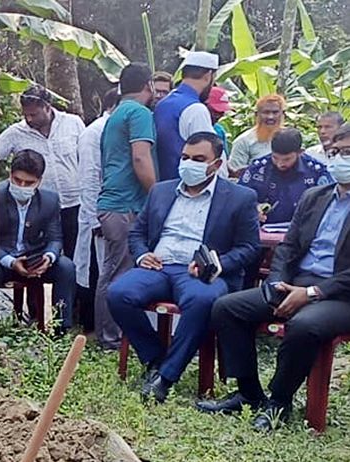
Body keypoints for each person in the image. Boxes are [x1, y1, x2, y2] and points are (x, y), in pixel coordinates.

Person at [198, 124, 350, 431]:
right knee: (227, 308)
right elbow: (288, 246)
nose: (338, 160)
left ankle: (279, 402)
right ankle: (249, 393)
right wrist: (276, 282)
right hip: (296, 281)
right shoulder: (315, 196)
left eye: (346, 153)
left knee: (304, 325)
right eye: (334, 153)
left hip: (340, 295)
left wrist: (311, 294)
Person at [108, 132, 259, 402]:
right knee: (118, 293)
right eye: (185, 158)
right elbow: (137, 233)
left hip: (200, 274)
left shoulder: (240, 197)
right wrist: (143, 255)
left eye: (199, 159)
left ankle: (166, 377)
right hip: (158, 266)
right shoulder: (161, 190)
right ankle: (155, 358)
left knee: (201, 300)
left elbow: (249, 248)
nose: (190, 164)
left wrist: (214, 265)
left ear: (216, 163)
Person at [94, 62, 158, 350]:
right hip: (124, 205)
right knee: (116, 272)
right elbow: (141, 158)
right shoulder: (140, 113)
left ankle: (113, 335)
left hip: (114, 202)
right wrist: (158, 195)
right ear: (149, 85)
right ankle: (109, 339)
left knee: (115, 269)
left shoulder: (117, 113)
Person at [0, 84, 86, 259]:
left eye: (34, 114)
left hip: (74, 203)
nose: (29, 119)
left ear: (47, 107)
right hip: (40, 209)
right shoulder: (16, 132)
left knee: (76, 256)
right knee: (37, 257)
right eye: (26, 115)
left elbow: (84, 158)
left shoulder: (73, 123)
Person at [0, 149, 76, 332]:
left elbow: (55, 237)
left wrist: (48, 258)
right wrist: (11, 262)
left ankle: (61, 332)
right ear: (10, 175)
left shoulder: (49, 200)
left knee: (66, 267)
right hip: (3, 261)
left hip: (34, 260)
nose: (22, 186)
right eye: (17, 180)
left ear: (39, 181)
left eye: (29, 183)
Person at [74, 88, 119, 332]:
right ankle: (91, 326)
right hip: (98, 215)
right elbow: (89, 178)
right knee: (94, 269)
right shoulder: (95, 133)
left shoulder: (116, 130)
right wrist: (96, 219)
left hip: (112, 212)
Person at [238, 128, 333, 227]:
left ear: (300, 152)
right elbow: (240, 198)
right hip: (263, 230)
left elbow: (328, 204)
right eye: (275, 158)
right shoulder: (258, 168)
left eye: (287, 159)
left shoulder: (316, 171)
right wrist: (254, 209)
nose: (280, 164)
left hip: (302, 231)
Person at [154, 51, 218, 181]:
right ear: (208, 75)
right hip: (187, 187)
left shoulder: (163, 103)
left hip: (164, 185)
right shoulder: (196, 109)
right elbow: (207, 155)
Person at [228, 94, 286, 177]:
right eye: (266, 112)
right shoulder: (243, 141)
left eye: (275, 112)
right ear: (256, 115)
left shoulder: (290, 138)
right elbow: (235, 175)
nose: (270, 117)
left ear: (283, 114)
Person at [206, 86, 232, 157]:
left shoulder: (219, 131)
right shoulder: (192, 127)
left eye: (221, 112)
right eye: (215, 111)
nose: (218, 116)